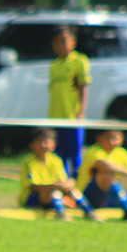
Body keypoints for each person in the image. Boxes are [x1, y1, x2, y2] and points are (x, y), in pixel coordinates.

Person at [18, 128, 100, 221]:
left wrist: (68, 184)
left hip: (52, 195)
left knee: (71, 190)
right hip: (33, 198)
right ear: (32, 145)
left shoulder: (56, 160)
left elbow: (62, 180)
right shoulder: (29, 162)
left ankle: (88, 211)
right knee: (55, 192)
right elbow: (34, 186)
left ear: (53, 145)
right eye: (40, 142)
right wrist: (54, 186)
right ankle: (60, 213)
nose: (44, 145)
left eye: (47, 142)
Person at [48, 25, 91, 178]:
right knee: (59, 154)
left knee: (75, 154)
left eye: (63, 41)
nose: (60, 45)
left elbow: (83, 87)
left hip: (72, 117)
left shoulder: (79, 61)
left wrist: (81, 112)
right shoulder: (54, 65)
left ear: (73, 42)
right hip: (56, 117)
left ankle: (78, 184)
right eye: (56, 42)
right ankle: (64, 184)